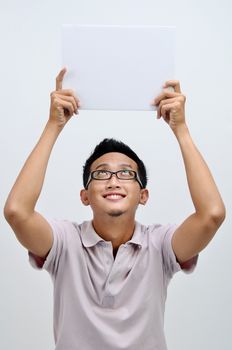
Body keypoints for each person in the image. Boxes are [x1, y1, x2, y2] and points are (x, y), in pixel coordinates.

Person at [4, 68, 225, 350]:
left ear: (143, 195)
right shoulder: (64, 242)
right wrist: (53, 125)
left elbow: (212, 215)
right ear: (85, 196)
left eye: (125, 174)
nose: (112, 180)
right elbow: (16, 212)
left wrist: (180, 130)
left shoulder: (160, 246)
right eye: (101, 174)